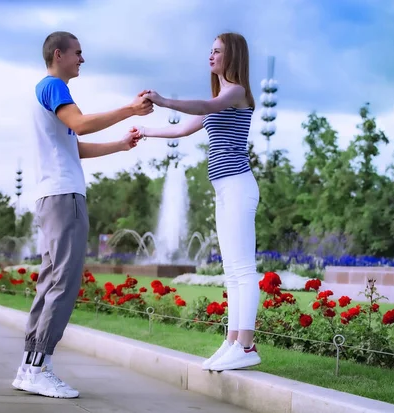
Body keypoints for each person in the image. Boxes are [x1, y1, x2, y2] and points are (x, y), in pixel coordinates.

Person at [12, 31, 153, 398]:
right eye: (77, 53)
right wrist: (129, 109)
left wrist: (121, 145)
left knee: (50, 281)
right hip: (64, 197)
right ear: (58, 54)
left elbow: (76, 146)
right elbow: (81, 124)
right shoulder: (55, 87)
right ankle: (39, 367)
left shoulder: (45, 92)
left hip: (52, 196)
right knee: (64, 282)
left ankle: (30, 367)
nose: (82, 59)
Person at [134, 32, 260, 371]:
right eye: (210, 50)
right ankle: (233, 341)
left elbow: (206, 107)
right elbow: (181, 131)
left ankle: (246, 346)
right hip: (224, 188)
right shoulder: (221, 96)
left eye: (217, 51)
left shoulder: (235, 93)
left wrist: (163, 100)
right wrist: (145, 132)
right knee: (232, 271)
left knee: (243, 270)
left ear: (232, 55)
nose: (211, 55)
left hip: (237, 185)